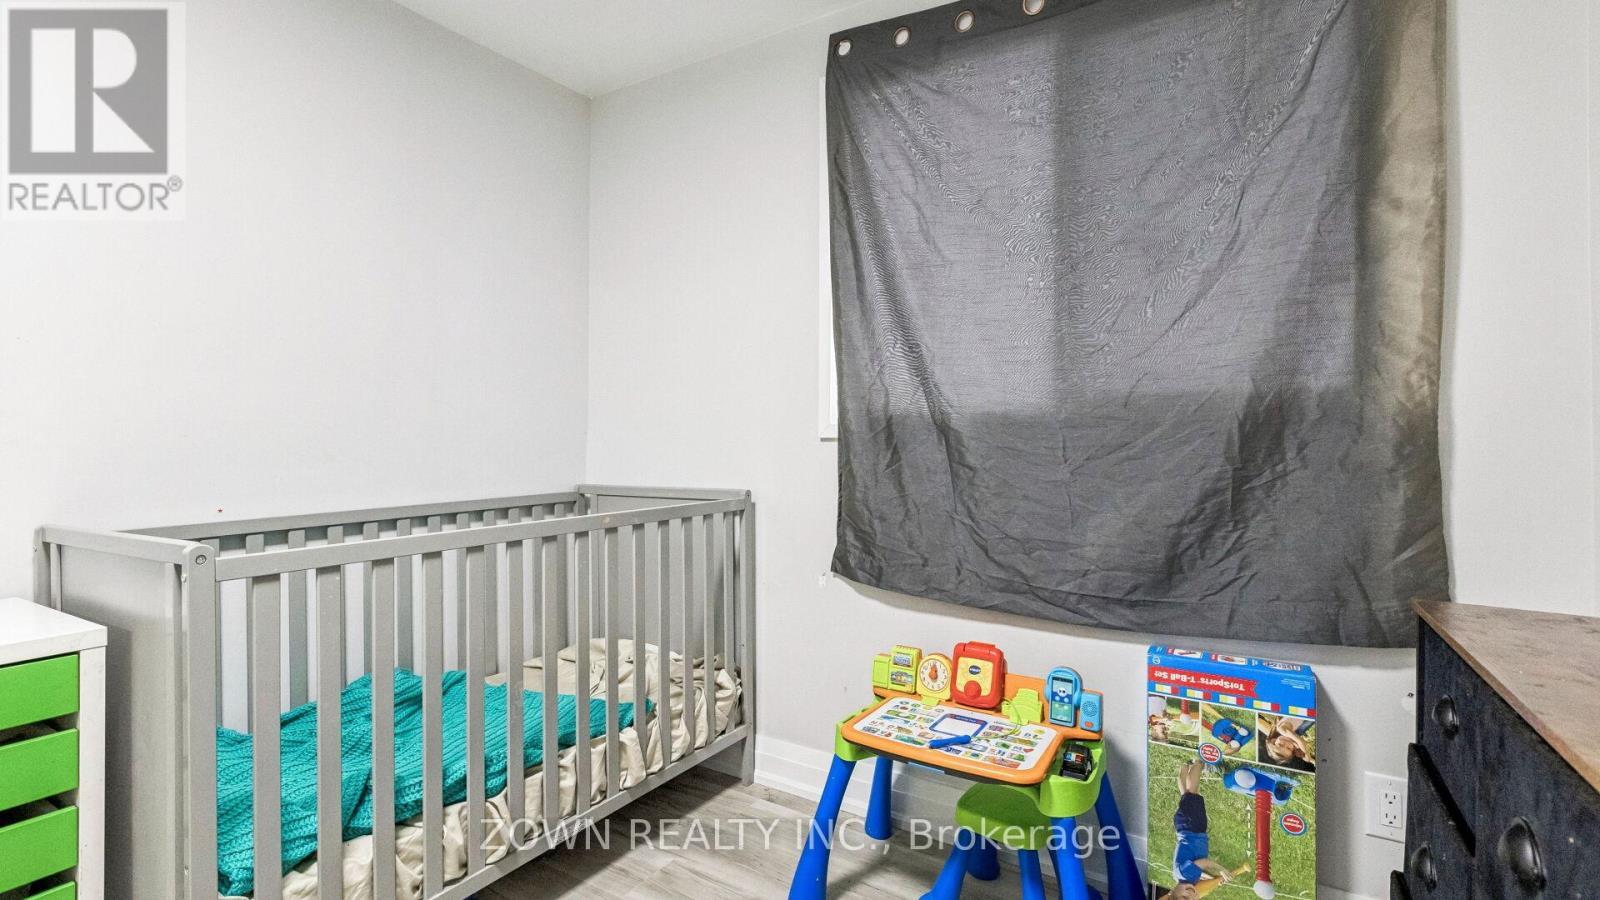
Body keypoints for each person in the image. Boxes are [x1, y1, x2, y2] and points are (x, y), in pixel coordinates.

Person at [1169, 760, 1240, 899]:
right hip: (1187, 827)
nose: (1190, 894)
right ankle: (1184, 765)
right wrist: (1214, 879)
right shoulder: (1182, 878)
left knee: (1192, 792)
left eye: (1184, 897)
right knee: (1187, 794)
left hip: (1191, 827)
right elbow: (1199, 871)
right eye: (1191, 899)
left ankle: (1200, 762)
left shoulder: (1184, 875)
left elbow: (1204, 863)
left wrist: (1222, 870)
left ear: (1172, 891)